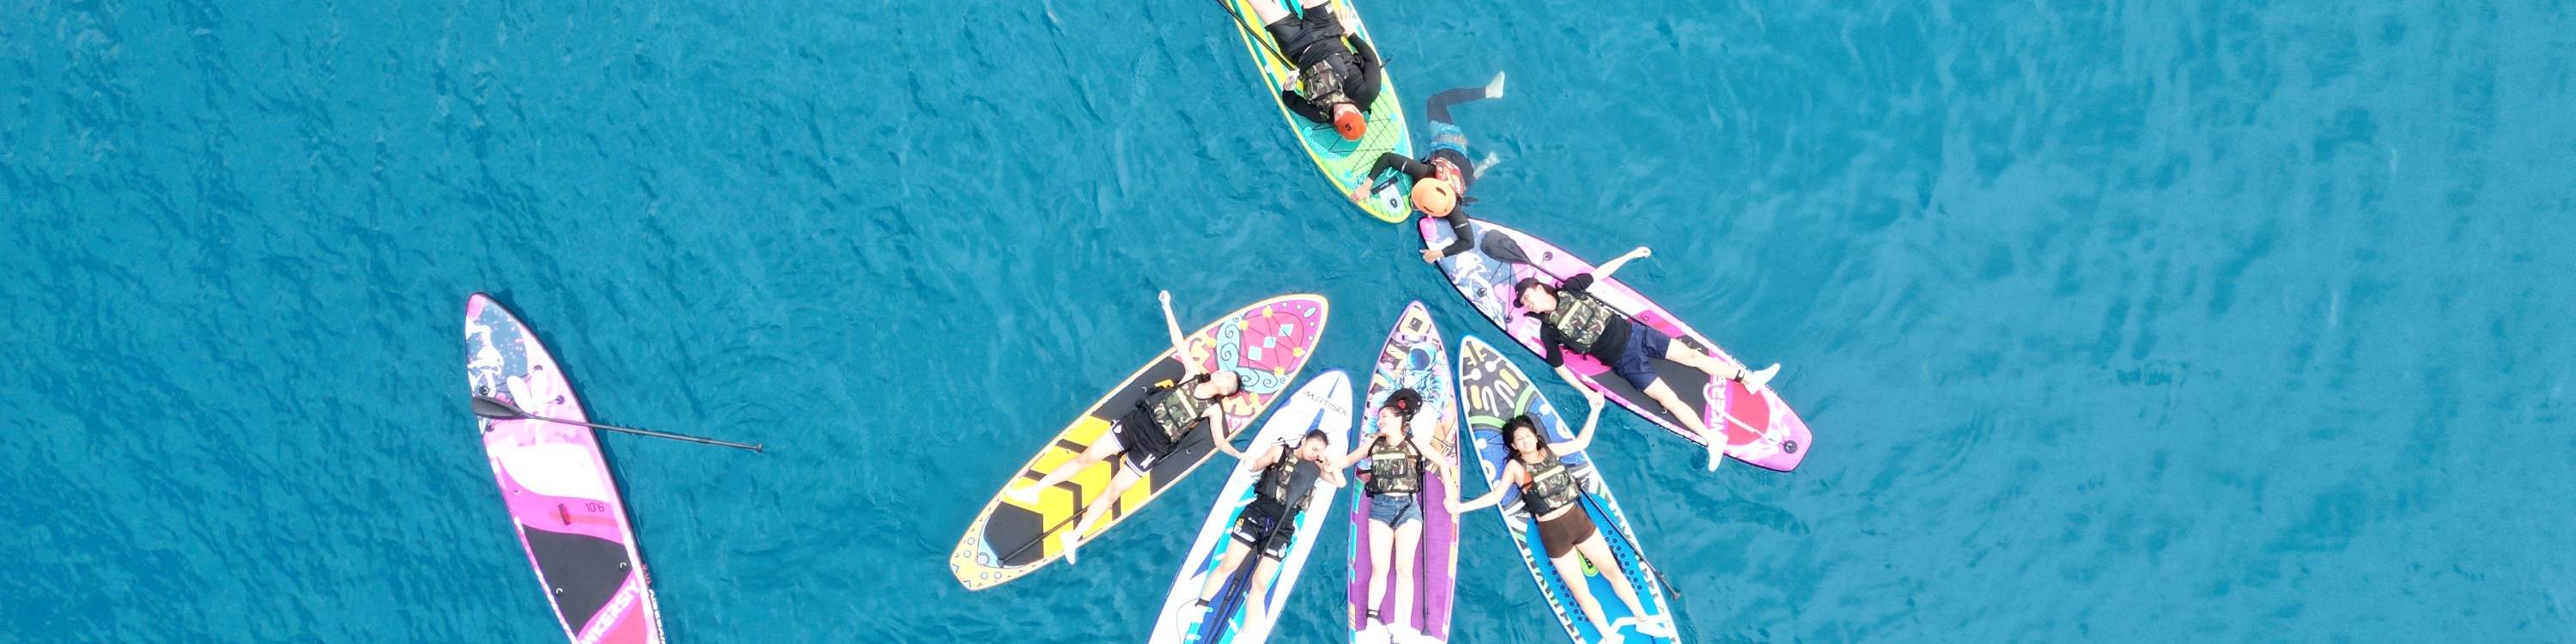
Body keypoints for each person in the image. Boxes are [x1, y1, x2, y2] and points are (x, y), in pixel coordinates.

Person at [1006, 290, 1249, 562]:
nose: (1225, 374)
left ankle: (1073, 538)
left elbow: (1219, 441)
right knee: (1086, 458)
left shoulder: (1214, 409)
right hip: (1136, 425)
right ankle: (1035, 490)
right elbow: (1178, 341)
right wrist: (1167, 306)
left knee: (1114, 492)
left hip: (1153, 448)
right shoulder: (1192, 374)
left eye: (1229, 380)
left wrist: (1240, 455)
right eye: (1227, 371)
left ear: (1226, 392)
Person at [1514, 246, 1780, 471]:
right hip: (1623, 362)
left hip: (1637, 335)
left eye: (1527, 298)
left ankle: (1748, 378)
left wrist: (1630, 255)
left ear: (1539, 288)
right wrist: (1585, 392)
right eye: (1525, 305)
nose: (1528, 305)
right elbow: (1559, 367)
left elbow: (1599, 274)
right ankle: (1713, 439)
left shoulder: (1571, 288)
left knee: (1691, 356)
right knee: (1667, 399)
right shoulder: (1548, 331)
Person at [1455, 391, 1675, 640]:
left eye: (1528, 436)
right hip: (1553, 534)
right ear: (1514, 445)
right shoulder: (1516, 468)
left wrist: (1595, 410)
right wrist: (1461, 507)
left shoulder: (1552, 451)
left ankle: (1642, 619)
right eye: (1520, 439)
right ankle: (1608, 637)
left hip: (1578, 521)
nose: (1526, 441)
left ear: (1535, 437)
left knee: (1613, 571)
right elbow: (1496, 496)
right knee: (1580, 591)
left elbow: (1581, 443)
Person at [1169, 428, 1342, 633]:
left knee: (1260, 583)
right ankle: (1200, 607)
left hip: (1282, 529)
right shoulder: (1279, 452)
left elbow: (1340, 482)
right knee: (1229, 564)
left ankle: (1249, 635)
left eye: (1319, 452)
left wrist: (1328, 462)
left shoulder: (1317, 468)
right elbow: (1257, 465)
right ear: (1303, 441)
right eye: (1314, 448)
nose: (1316, 454)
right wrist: (1250, 463)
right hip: (1256, 516)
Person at [1328, 389, 1458, 642]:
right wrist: (1330, 464)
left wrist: (1450, 496)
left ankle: (1401, 626)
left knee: (1404, 568)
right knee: (1379, 567)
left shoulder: (1414, 443)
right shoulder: (1374, 444)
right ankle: (1374, 619)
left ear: (1400, 419)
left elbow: (1442, 463)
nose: (1381, 420)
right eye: (1380, 416)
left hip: (1408, 508)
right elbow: (1347, 461)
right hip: (1380, 508)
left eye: (1386, 415)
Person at [1352, 72, 1508, 263]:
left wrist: (1440, 253)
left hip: (1461, 167)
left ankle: (1485, 160)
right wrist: (1367, 185)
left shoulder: (1450, 208)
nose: (1413, 202)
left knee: (1435, 102)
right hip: (1452, 145)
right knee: (1436, 102)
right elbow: (1388, 159)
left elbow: (1469, 242)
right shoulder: (1428, 174)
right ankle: (1487, 161)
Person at [1249, 0, 1383, 140]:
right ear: (1358, 111)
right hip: (1327, 30)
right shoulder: (1368, 91)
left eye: (1337, 117)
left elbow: (1291, 102)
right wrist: (1351, 33)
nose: (1337, 111)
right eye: (1344, 112)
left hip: (1295, 46)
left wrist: (1288, 87)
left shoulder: (1321, 115)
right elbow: (1370, 58)